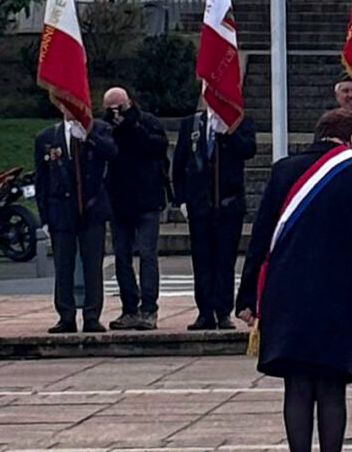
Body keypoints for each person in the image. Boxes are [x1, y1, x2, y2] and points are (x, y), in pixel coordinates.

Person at [236, 106, 352, 452]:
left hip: (287, 295)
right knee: (332, 389)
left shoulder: (284, 170)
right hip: (339, 296)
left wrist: (247, 298)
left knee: (298, 389)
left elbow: (260, 237)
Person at [33, 111, 117, 333]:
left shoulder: (99, 129)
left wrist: (88, 136)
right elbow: (41, 180)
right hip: (61, 210)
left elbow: (111, 153)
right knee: (63, 266)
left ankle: (92, 315)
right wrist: (44, 217)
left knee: (92, 265)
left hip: (92, 209)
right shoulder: (47, 137)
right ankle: (66, 315)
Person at [175, 104, 258, 331]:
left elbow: (248, 149)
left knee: (224, 261)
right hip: (199, 206)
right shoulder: (191, 123)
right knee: (202, 261)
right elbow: (180, 164)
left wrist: (228, 133)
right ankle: (204, 312)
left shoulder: (241, 122)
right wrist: (181, 199)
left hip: (228, 206)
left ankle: (223, 312)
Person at [102, 87, 170, 330]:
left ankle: (148, 308)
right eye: (110, 108)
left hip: (147, 199)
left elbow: (157, 147)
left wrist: (130, 125)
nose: (115, 112)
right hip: (119, 201)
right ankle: (129, 307)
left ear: (129, 102)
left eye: (119, 106)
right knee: (122, 256)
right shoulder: (107, 127)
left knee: (147, 254)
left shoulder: (147, 122)